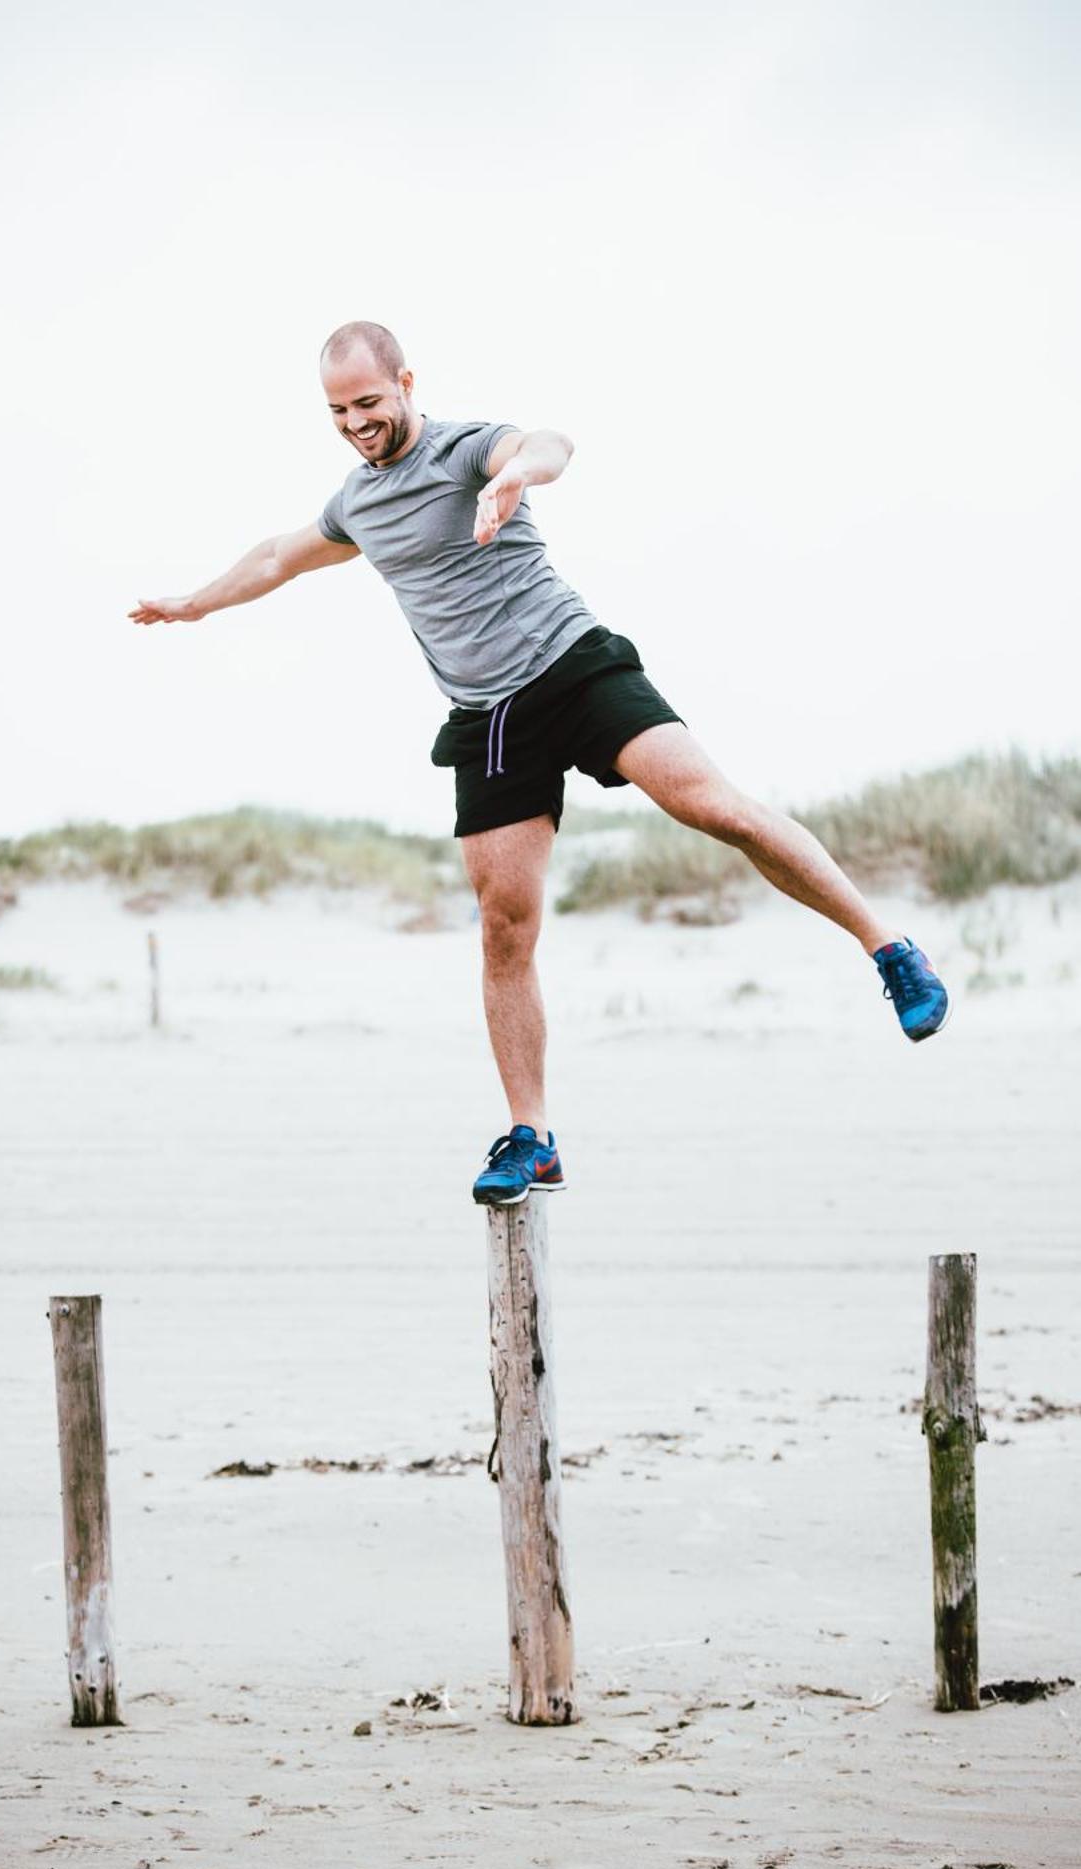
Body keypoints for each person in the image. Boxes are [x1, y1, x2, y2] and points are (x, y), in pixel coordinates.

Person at [130, 320, 949, 1207]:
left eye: (369, 401)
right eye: (338, 410)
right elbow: (278, 555)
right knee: (503, 926)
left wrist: (517, 474)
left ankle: (889, 949)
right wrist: (195, 606)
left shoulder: (464, 449)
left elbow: (548, 444)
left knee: (715, 809)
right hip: (489, 719)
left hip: (574, 669)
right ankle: (534, 1137)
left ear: (406, 381)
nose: (356, 422)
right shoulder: (355, 505)